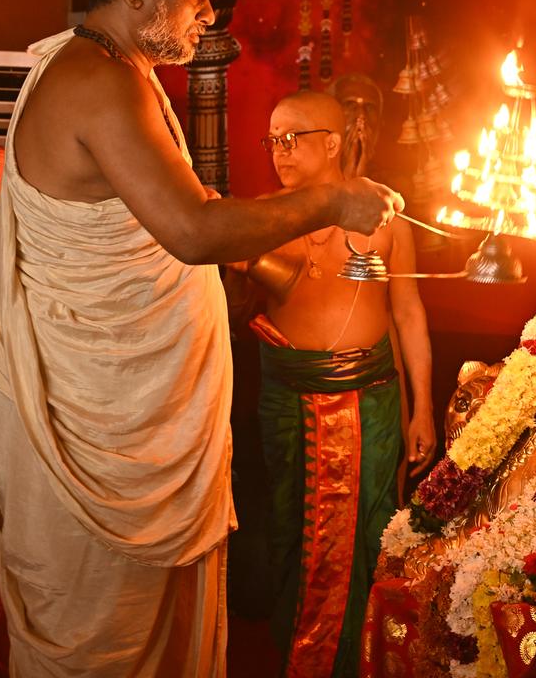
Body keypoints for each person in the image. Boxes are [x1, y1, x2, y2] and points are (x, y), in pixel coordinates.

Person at [0, 0, 402, 677]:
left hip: (128, 415)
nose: (209, 12)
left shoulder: (119, 72)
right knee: (100, 643)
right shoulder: (98, 81)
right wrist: (334, 202)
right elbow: (195, 232)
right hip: (95, 427)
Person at [229, 91, 435, 677]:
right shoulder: (263, 216)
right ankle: (300, 660)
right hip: (287, 398)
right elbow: (232, 309)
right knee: (294, 532)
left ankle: (364, 664)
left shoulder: (382, 217)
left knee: (370, 535)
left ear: (334, 142)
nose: (280, 151)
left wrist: (423, 409)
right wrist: (238, 264)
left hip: (368, 398)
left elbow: (409, 313)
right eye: (272, 139)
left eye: (294, 137)